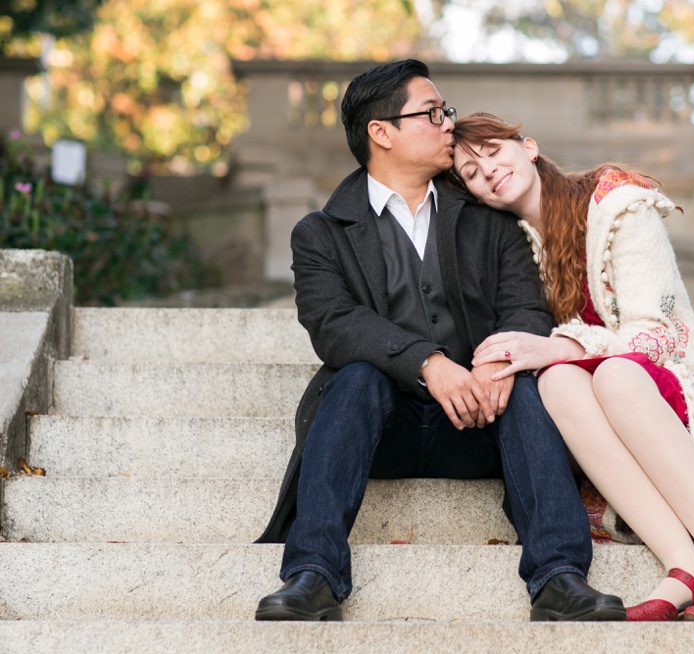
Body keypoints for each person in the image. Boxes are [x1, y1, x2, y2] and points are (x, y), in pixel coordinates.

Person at [253, 61, 626, 623]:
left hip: (482, 419)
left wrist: (496, 361)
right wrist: (428, 363)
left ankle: (558, 577)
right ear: (382, 132)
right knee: (356, 376)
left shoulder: (487, 219)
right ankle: (313, 574)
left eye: (445, 109)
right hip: (383, 428)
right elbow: (333, 325)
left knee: (527, 386)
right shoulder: (321, 233)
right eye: (432, 112)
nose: (448, 122)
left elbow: (525, 305)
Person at [449, 112, 694, 622]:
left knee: (607, 371)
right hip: (604, 410)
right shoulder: (514, 244)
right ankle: (685, 567)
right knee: (559, 381)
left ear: (527, 146)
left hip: (669, 384)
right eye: (472, 174)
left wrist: (561, 346)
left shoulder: (616, 203)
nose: (489, 172)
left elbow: (656, 333)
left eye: (493, 153)